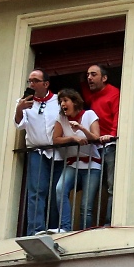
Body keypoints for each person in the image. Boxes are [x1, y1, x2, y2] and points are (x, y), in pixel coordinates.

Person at [15, 69, 63, 235]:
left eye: (35, 81)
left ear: (46, 84)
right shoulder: (23, 103)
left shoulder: (58, 101)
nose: (32, 84)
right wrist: (19, 109)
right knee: (37, 191)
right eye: (30, 81)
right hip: (37, 152)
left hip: (58, 152)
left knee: (57, 190)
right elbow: (20, 124)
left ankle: (55, 228)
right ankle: (35, 230)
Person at [51, 89, 102, 233]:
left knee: (86, 204)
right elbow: (55, 139)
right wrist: (72, 138)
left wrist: (81, 129)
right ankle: (65, 227)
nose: (63, 104)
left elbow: (96, 137)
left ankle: (84, 232)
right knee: (60, 189)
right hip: (73, 164)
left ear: (74, 102)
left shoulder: (89, 114)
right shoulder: (61, 119)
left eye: (66, 101)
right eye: (61, 101)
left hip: (92, 164)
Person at [83, 64, 119, 225]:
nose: (89, 78)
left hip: (109, 145)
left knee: (111, 185)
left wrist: (111, 135)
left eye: (93, 74)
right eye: (87, 75)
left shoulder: (114, 93)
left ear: (104, 78)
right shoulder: (93, 96)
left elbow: (117, 115)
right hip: (96, 147)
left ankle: (109, 222)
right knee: (98, 185)